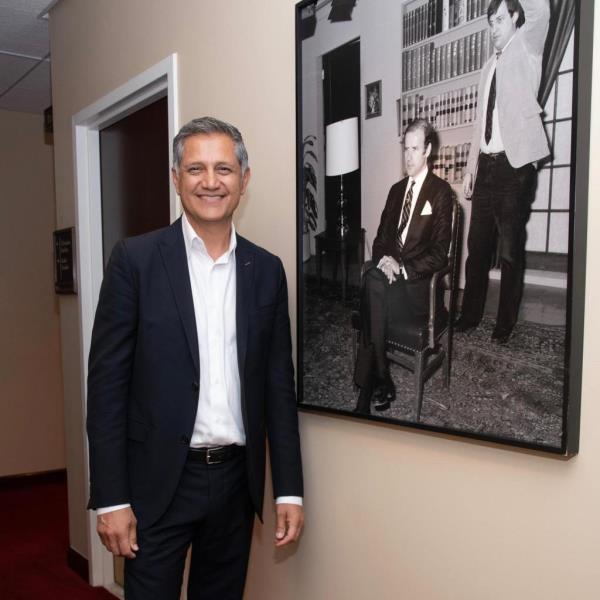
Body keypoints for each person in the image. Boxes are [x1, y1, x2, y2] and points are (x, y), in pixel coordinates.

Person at [86, 116, 304, 599]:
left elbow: (277, 389)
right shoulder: (135, 262)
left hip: (235, 482)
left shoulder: (266, 271)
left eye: (224, 169)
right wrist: (111, 498)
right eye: (196, 169)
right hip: (157, 484)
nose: (211, 182)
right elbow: (106, 390)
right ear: (176, 178)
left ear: (244, 180)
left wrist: (288, 489)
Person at [455, 0, 550, 344]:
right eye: (489, 22)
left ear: (513, 17)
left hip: (514, 167)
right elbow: (479, 124)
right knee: (476, 247)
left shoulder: (528, 45)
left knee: (510, 251)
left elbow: (541, 12)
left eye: (497, 19)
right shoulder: (486, 67)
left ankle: (504, 326)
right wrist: (470, 169)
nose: (492, 27)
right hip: (486, 167)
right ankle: (469, 316)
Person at [353, 119, 453, 414]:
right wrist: (385, 260)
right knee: (374, 279)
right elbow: (382, 236)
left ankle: (373, 381)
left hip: (416, 289)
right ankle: (382, 379)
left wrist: (403, 268)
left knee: (371, 284)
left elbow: (440, 254)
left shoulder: (441, 194)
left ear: (428, 150)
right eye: (405, 149)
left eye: (415, 149)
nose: (408, 156)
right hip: (387, 280)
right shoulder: (396, 190)